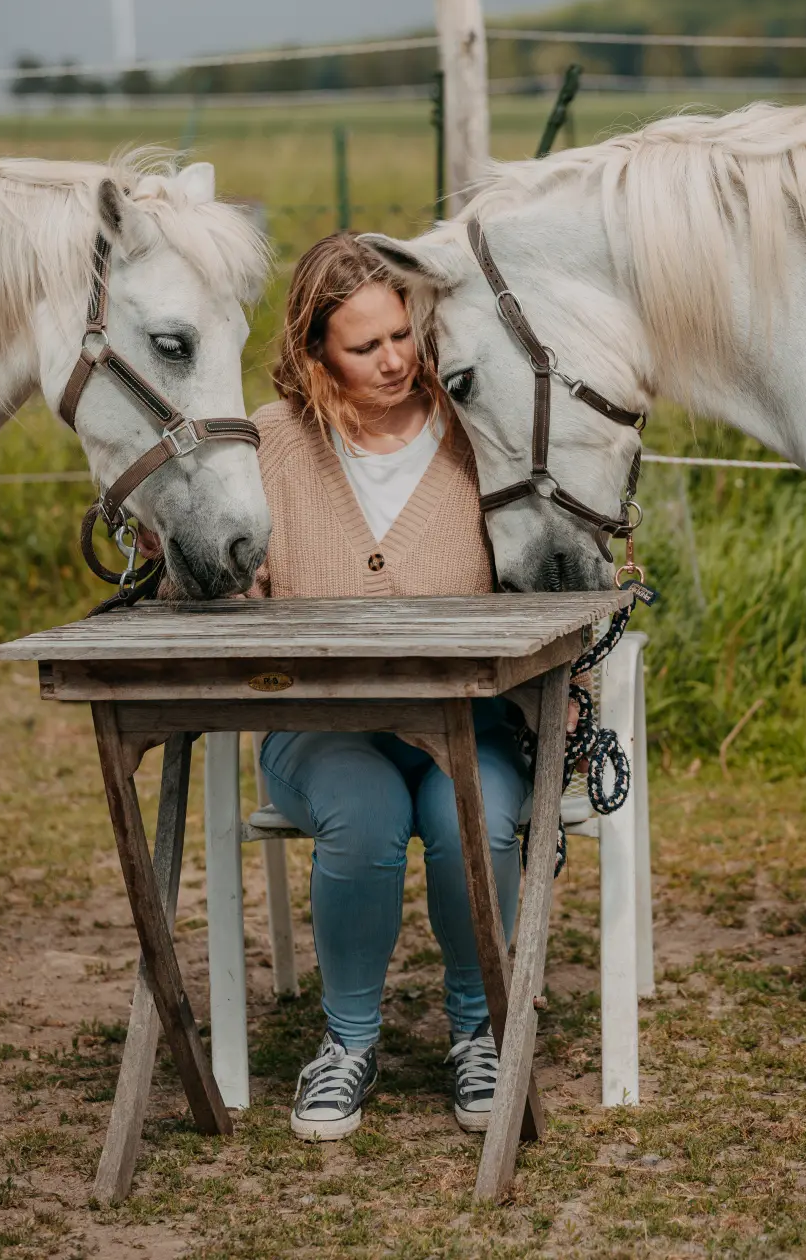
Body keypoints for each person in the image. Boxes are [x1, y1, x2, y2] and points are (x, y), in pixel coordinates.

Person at [248, 231, 533, 1143]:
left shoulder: (477, 427)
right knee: (365, 810)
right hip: (319, 731)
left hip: (470, 723)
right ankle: (349, 1042)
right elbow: (218, 582)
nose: (395, 360)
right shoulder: (270, 442)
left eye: (403, 334)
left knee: (470, 813)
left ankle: (479, 1030)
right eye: (364, 345)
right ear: (315, 353)